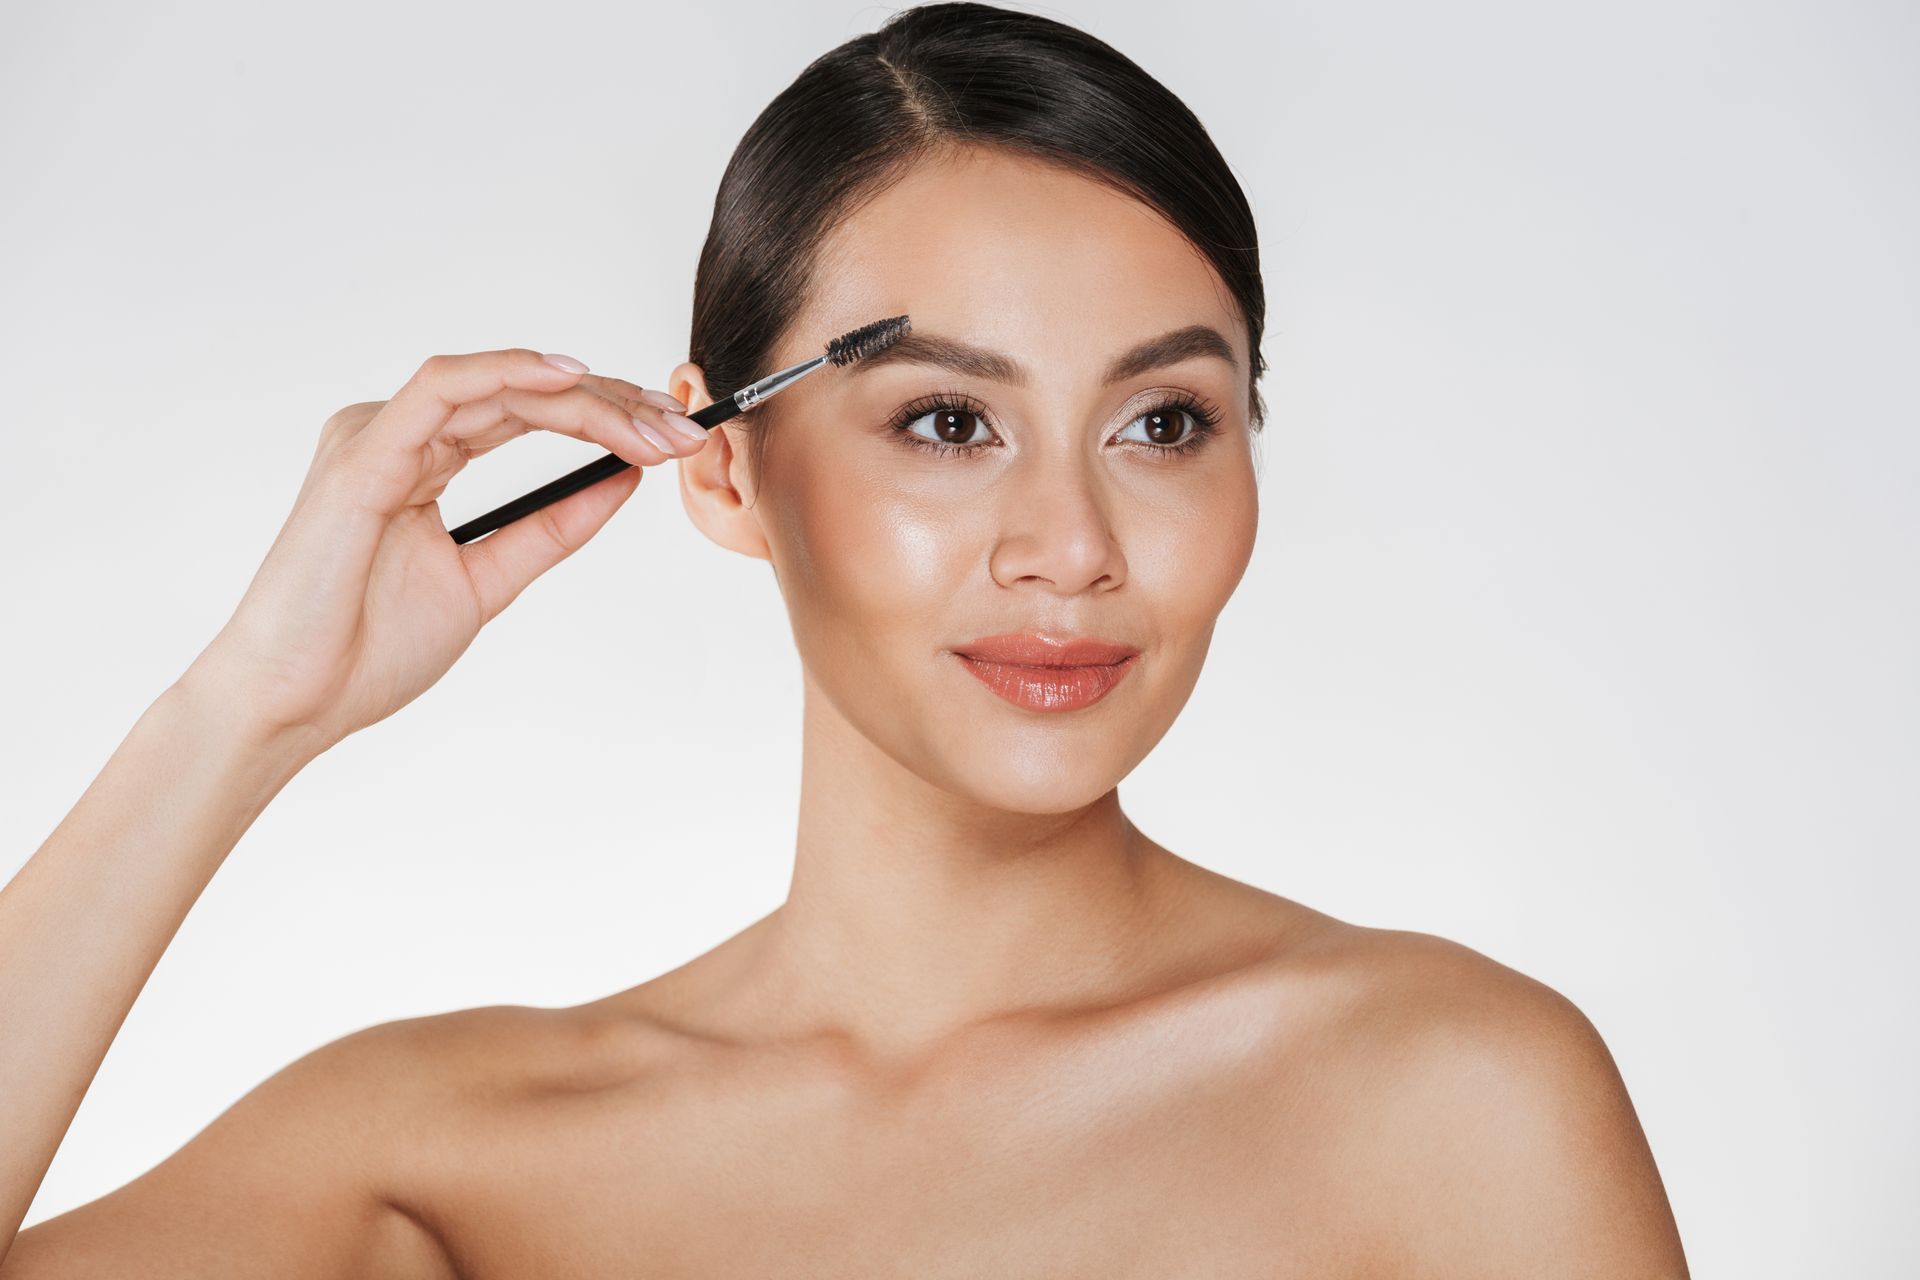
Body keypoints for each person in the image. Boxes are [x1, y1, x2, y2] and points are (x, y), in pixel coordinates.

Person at [0, 3, 1690, 1274]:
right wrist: (241, 714)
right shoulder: (439, 1161)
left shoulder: (1457, 1096)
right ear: (723, 468)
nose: (1071, 552)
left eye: (1164, 424)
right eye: (948, 422)